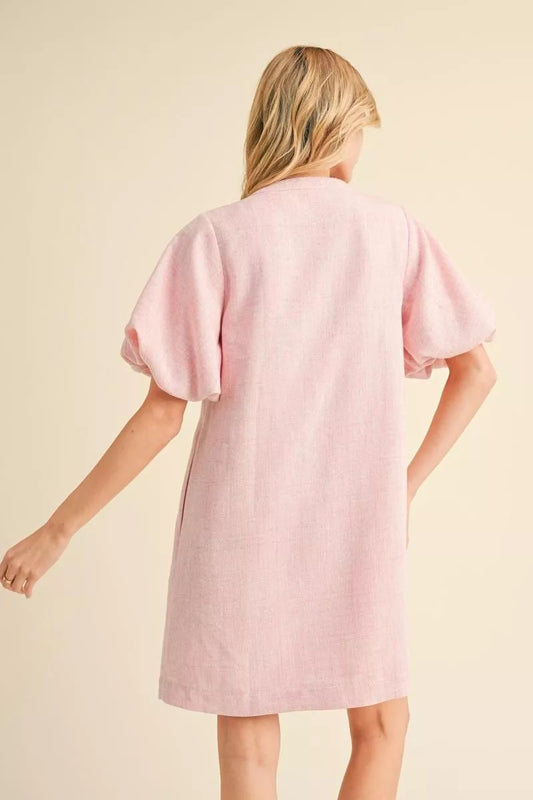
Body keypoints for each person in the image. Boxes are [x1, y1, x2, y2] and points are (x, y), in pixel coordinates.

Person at [1, 45, 497, 800]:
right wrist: (404, 486)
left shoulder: (216, 237)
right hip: (357, 520)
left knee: (249, 748)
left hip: (240, 525)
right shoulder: (391, 232)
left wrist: (56, 531)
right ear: (340, 129)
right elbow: (477, 372)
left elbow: (162, 415)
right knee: (381, 727)